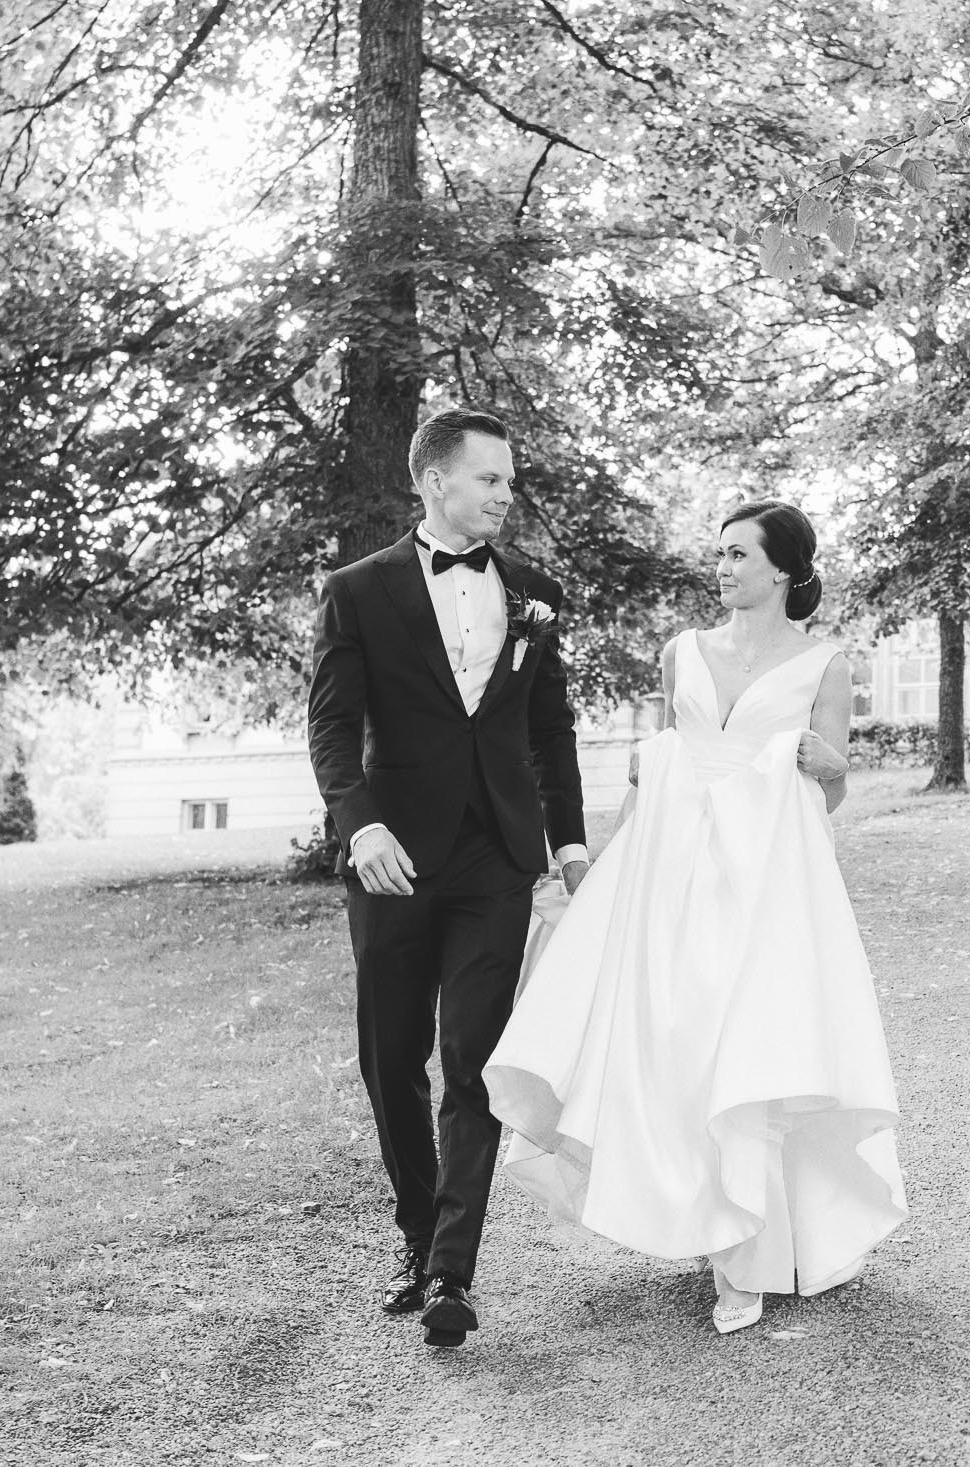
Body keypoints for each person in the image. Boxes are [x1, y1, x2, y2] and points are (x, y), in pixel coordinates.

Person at [485, 501, 908, 1336]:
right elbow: (655, 770)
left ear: (783, 568)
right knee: (676, 1040)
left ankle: (752, 1249)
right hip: (675, 867)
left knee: (752, 1041)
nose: (722, 568)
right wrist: (599, 867)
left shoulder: (826, 662)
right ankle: (702, 1219)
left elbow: (831, 784)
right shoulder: (683, 652)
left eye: (739, 554)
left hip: (767, 880)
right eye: (718, 554)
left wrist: (822, 765)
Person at [307, 406, 589, 1349]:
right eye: (491, 479)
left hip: (496, 858)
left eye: (509, 480)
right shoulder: (357, 591)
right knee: (391, 1060)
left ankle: (449, 1273)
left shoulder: (536, 592)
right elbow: (332, 732)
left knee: (470, 1060)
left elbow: (550, 729)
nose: (507, 494)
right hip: (393, 858)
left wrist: (571, 841)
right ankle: (417, 1230)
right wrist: (360, 826)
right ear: (435, 483)